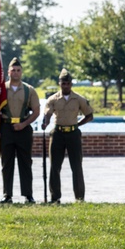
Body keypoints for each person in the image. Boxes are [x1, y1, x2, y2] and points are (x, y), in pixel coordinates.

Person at [41, 68, 94, 203]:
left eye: (68, 83)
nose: (66, 86)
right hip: (58, 134)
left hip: (73, 135)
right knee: (54, 167)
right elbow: (47, 113)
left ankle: (79, 197)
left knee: (76, 166)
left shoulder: (78, 99)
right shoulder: (53, 99)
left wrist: (78, 125)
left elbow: (89, 115)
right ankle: (55, 197)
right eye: (63, 83)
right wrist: (46, 122)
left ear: (71, 84)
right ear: (59, 83)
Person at [0, 57, 40, 203]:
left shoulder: (29, 90)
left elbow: (36, 112)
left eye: (18, 70)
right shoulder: (0, 90)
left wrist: (24, 124)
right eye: (13, 70)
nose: (16, 73)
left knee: (25, 162)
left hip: (23, 128)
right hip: (6, 128)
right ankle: (7, 195)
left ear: (22, 72)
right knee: (7, 163)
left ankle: (28, 194)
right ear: (8, 72)